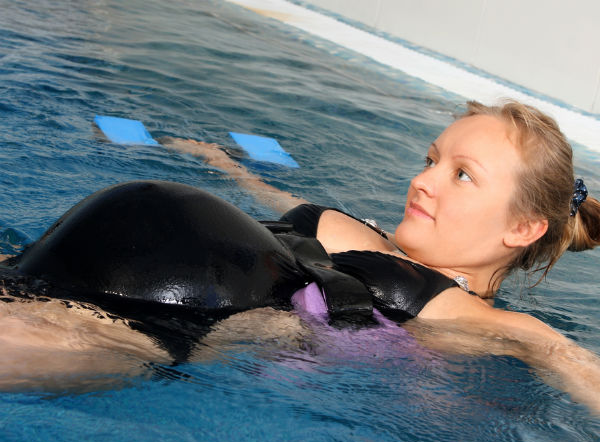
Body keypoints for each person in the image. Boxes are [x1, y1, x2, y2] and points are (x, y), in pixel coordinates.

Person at [1, 100, 600, 412]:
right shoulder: (365, 232)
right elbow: (273, 201)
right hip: (56, 255)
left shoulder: (468, 312)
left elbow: (564, 358)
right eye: (430, 160)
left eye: (462, 175)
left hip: (133, 322)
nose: (423, 181)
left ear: (522, 227)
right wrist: (220, 161)